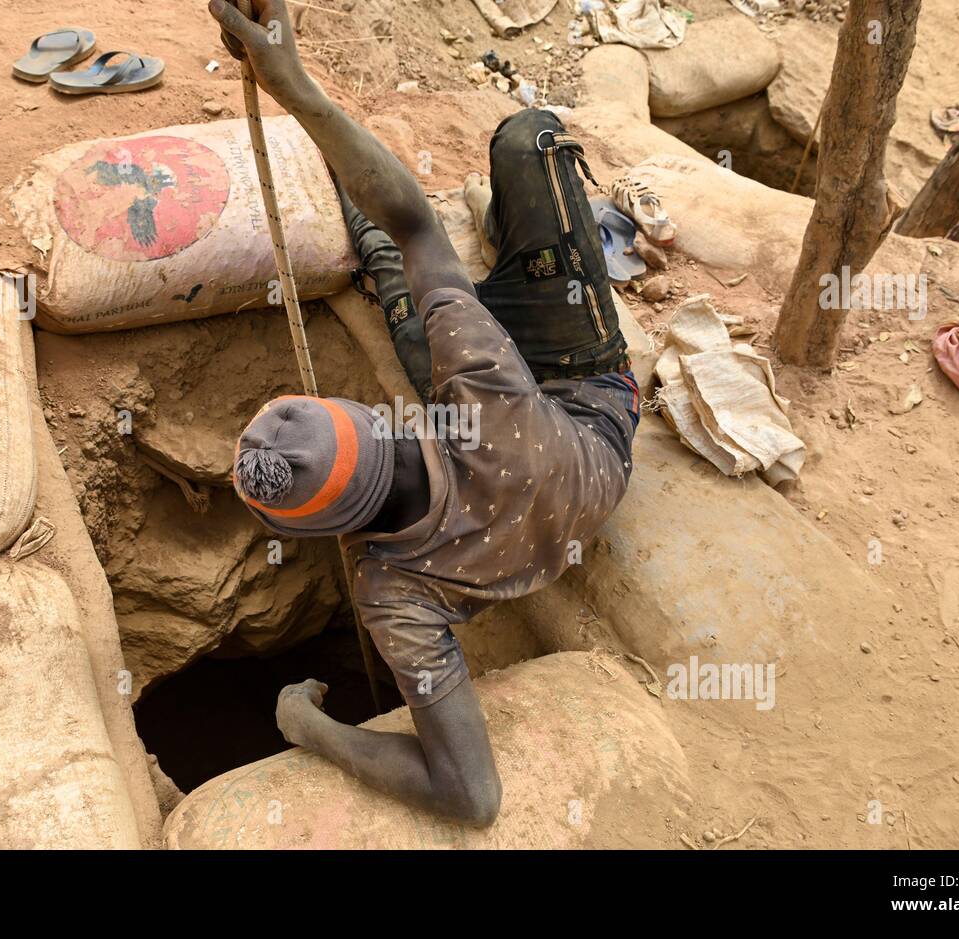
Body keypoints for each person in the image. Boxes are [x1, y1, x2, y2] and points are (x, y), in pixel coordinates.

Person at [210, 0, 640, 826]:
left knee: (406, 291)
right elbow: (412, 216)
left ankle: (381, 266)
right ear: (377, 420)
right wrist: (292, 83)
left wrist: (310, 725)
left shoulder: (389, 593)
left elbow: (471, 796)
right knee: (523, 142)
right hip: (593, 401)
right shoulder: (472, 382)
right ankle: (402, 257)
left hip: (544, 430)